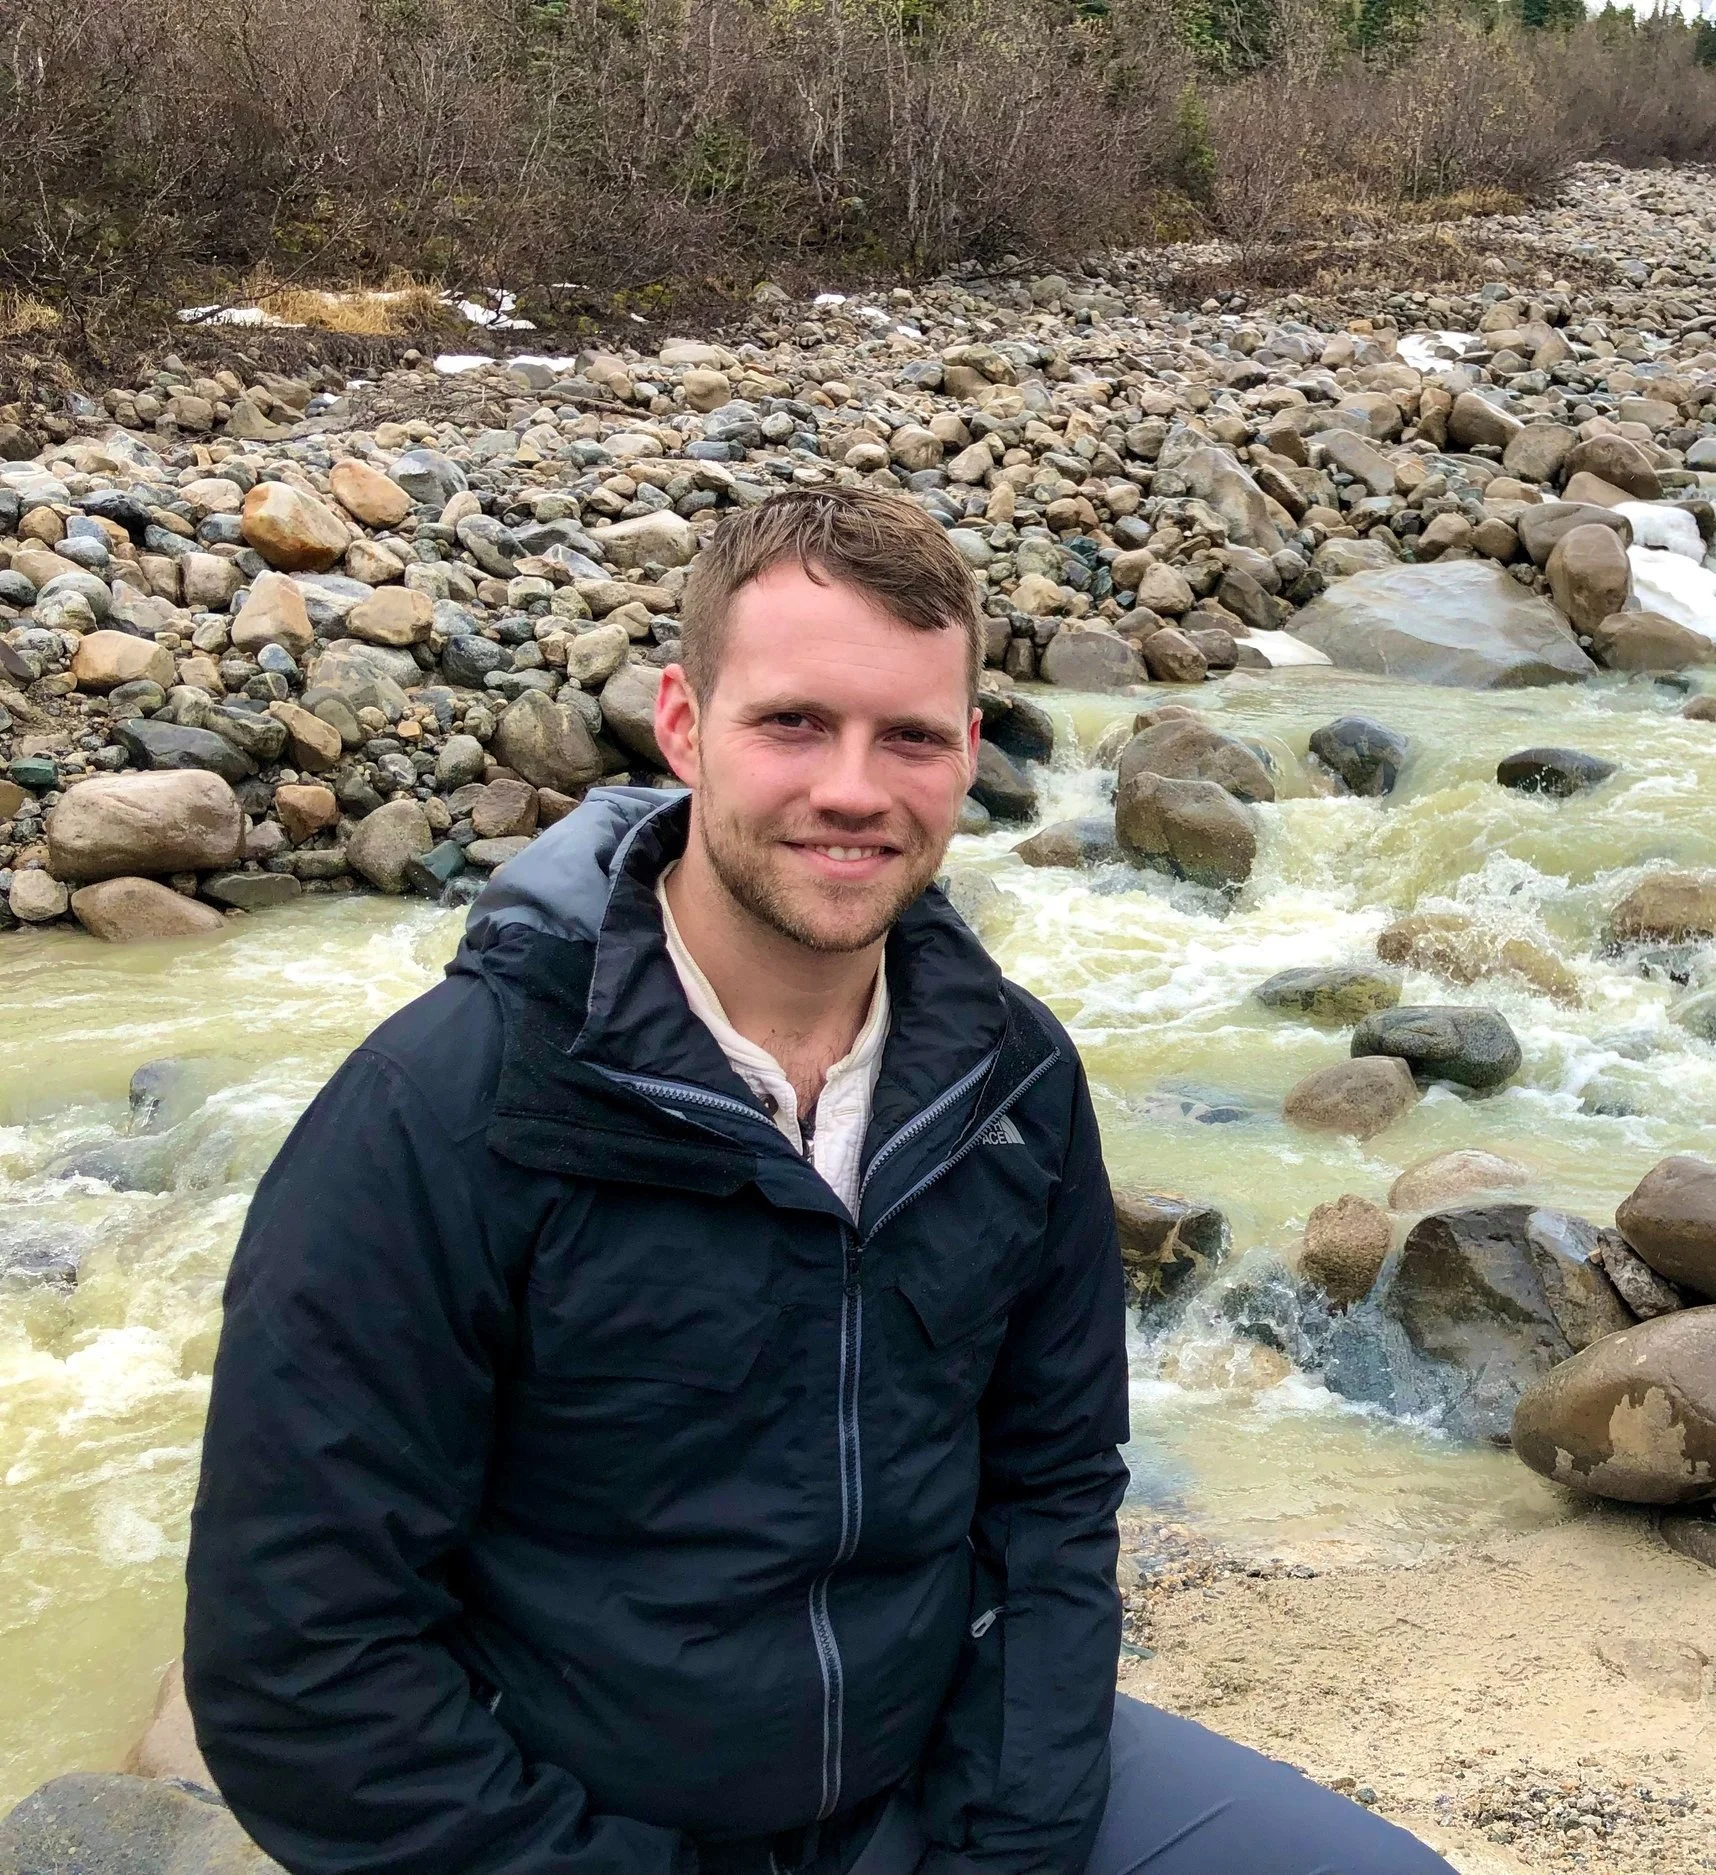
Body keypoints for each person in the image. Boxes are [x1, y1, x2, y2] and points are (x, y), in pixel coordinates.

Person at [184, 488, 1454, 1875]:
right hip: (575, 1822)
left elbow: (1050, 1507)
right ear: (681, 723)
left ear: (968, 753)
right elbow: (299, 1656)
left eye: (909, 735)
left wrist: (1001, 1846)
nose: (853, 787)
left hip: (932, 1778)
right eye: (794, 722)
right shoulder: (452, 1105)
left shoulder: (1013, 1085)